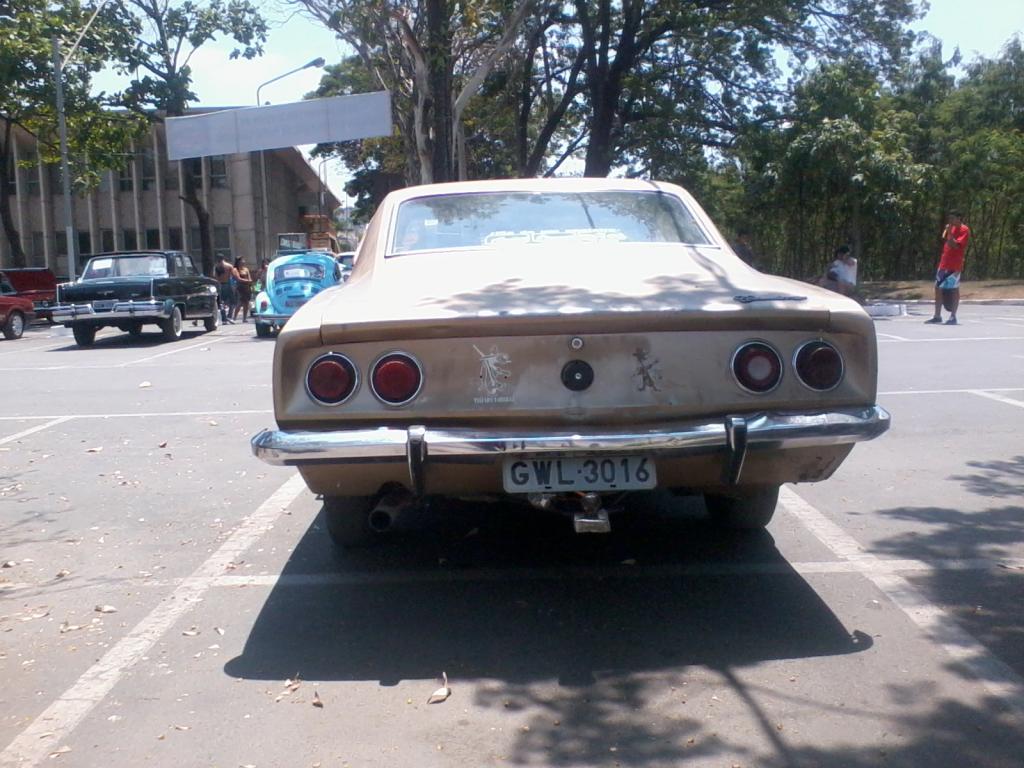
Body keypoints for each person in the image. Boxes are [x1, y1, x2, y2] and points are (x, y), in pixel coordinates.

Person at [925, 210, 970, 325]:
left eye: (953, 218)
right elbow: (945, 241)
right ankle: (937, 315)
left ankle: (953, 316)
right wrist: (949, 232)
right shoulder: (951, 229)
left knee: (954, 289)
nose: (950, 221)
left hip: (954, 265)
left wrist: (950, 233)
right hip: (944, 263)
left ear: (959, 218)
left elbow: (955, 245)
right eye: (949, 218)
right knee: (938, 287)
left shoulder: (964, 230)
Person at [213, 255, 238, 324]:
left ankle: (224, 319)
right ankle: (229, 316)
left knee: (222, 303)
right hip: (228, 284)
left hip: (220, 285)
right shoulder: (229, 266)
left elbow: (215, 277)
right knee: (232, 302)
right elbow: (234, 275)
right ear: (224, 258)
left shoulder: (216, 267)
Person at [232, 257, 253, 322]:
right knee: (240, 302)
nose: (244, 261)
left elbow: (249, 277)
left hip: (247, 287)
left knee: (246, 303)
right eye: (242, 260)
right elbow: (238, 279)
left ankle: (244, 318)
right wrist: (247, 281)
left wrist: (250, 281)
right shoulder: (235, 269)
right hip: (240, 287)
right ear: (238, 262)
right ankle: (234, 317)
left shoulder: (246, 269)